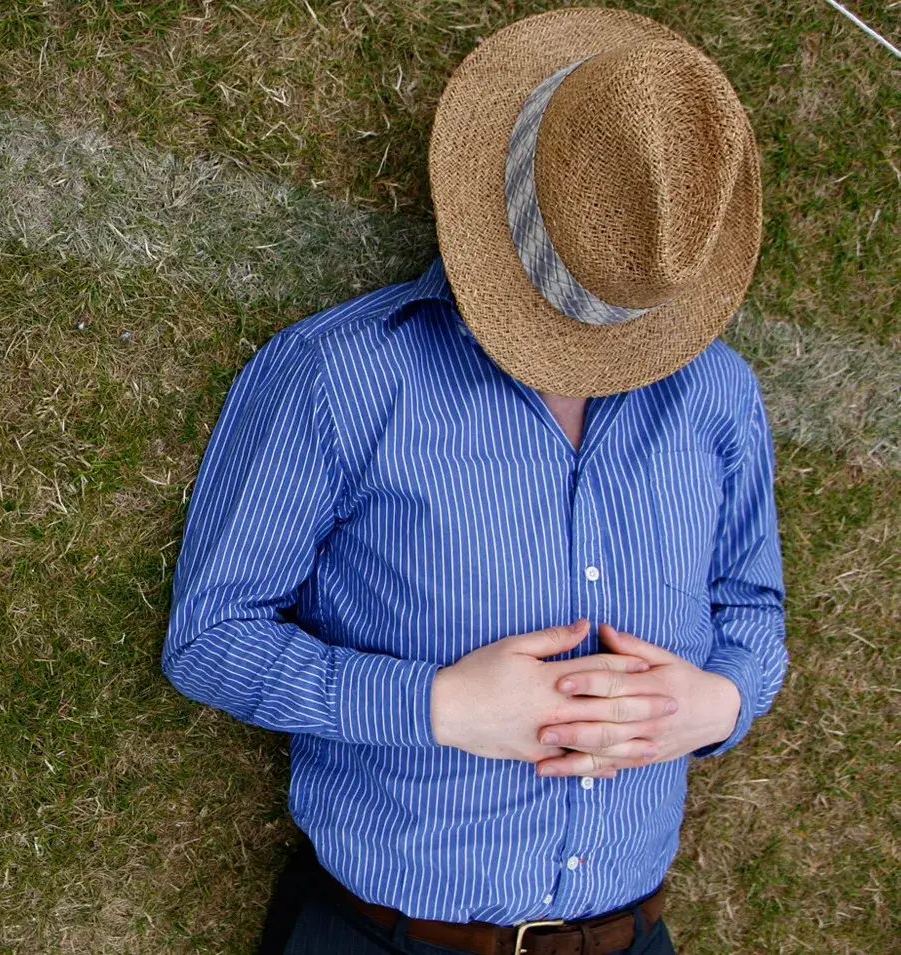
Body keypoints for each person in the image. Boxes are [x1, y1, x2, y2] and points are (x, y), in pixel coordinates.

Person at [162, 9, 788, 955]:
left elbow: (753, 605)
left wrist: (721, 704)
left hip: (628, 934)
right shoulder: (347, 374)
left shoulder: (717, 396)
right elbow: (210, 638)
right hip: (387, 935)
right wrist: (438, 707)